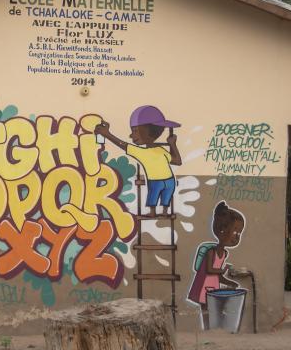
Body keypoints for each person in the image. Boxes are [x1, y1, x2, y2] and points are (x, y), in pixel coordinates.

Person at [95, 105, 182, 216]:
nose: (131, 135)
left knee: (154, 196)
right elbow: (177, 161)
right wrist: (172, 145)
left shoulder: (145, 152)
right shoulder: (158, 150)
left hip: (159, 181)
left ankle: (157, 212)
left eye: (135, 130)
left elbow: (123, 145)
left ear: (147, 130)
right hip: (168, 181)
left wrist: (107, 134)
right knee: (160, 196)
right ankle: (159, 212)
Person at [186, 201, 249, 329]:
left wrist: (229, 282)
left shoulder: (224, 253)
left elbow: (217, 276)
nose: (237, 237)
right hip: (203, 285)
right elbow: (210, 270)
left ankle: (210, 329)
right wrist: (223, 270)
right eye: (235, 232)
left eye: (239, 234)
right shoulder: (211, 252)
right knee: (206, 309)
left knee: (211, 309)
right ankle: (207, 329)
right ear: (222, 230)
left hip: (213, 286)